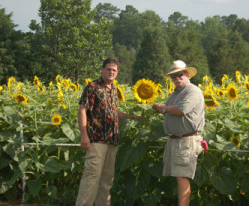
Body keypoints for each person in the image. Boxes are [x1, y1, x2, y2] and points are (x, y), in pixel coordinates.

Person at [76, 58, 140, 206]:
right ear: (103, 70)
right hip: (96, 140)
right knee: (91, 179)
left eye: (114, 70)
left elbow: (114, 112)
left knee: (106, 181)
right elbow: (82, 111)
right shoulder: (92, 87)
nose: (111, 72)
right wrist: (84, 135)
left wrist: (133, 117)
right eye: (109, 69)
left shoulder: (114, 90)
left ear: (117, 72)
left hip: (112, 141)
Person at [153, 60, 206, 206]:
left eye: (179, 75)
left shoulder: (192, 91)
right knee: (179, 177)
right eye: (173, 76)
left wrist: (163, 109)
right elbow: (168, 106)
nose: (176, 78)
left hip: (186, 141)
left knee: (182, 177)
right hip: (176, 140)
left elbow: (181, 110)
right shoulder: (176, 93)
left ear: (187, 74)